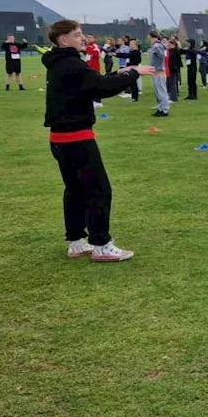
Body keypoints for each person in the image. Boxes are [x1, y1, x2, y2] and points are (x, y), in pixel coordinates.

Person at [42, 20, 156, 262]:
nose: (83, 38)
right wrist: (133, 73)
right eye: (77, 34)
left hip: (61, 139)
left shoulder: (61, 63)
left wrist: (122, 73)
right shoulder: (70, 64)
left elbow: (92, 86)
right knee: (98, 190)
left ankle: (76, 241)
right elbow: (101, 87)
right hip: (76, 139)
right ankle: (101, 244)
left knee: (75, 190)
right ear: (64, 40)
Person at [147, 31, 171, 117]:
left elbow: (161, 56)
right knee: (158, 92)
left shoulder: (157, 46)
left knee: (162, 92)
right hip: (155, 72)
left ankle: (165, 110)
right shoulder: (154, 46)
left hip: (159, 72)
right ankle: (160, 108)